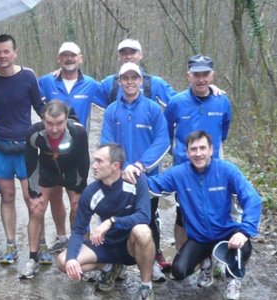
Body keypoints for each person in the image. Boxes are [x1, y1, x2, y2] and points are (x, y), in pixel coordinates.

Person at [140, 131, 261, 300]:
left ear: (211, 150)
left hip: (227, 234)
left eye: (202, 148)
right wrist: (133, 173)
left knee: (243, 247)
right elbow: (153, 186)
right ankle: (207, 262)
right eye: (193, 149)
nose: (198, 153)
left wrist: (245, 231)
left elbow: (252, 198)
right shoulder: (179, 173)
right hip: (200, 237)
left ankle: (233, 279)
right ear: (187, 152)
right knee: (179, 271)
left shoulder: (227, 170)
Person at [56, 144, 155, 300]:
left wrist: (111, 221)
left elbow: (144, 216)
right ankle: (109, 267)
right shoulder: (91, 192)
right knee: (63, 261)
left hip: (131, 246)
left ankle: (146, 285)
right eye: (94, 161)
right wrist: (71, 259)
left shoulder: (136, 180)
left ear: (115, 166)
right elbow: (78, 230)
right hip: (106, 245)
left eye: (99, 161)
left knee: (143, 231)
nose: (94, 166)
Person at [102, 62, 170, 281]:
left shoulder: (152, 108)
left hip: (146, 178)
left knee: (147, 221)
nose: (130, 82)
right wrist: (122, 167)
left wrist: (139, 165)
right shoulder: (112, 110)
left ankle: (150, 265)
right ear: (120, 81)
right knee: (116, 219)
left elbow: (162, 141)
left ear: (141, 80)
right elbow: (107, 142)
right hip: (119, 176)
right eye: (125, 78)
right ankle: (116, 263)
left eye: (134, 78)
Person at [0, 34, 45, 264]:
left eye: (6, 51)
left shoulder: (28, 76)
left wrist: (62, 123)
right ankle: (10, 245)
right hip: (0, 147)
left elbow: (40, 106)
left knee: (32, 198)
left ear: (14, 52)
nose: (2, 56)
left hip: (26, 147)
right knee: (7, 197)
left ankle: (42, 243)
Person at [38, 42, 106, 256]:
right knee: (55, 197)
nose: (69, 59)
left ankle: (79, 242)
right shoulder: (46, 81)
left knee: (77, 202)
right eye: (64, 56)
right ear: (59, 59)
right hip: (51, 150)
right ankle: (61, 238)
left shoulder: (93, 85)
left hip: (77, 152)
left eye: (73, 56)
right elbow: (25, 91)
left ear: (80, 58)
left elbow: (116, 97)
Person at [165, 55, 232, 250]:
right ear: (189, 76)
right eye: (196, 75)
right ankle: (181, 254)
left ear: (212, 75)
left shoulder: (222, 101)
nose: (201, 79)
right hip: (184, 168)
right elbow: (166, 133)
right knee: (183, 213)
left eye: (205, 74)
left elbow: (223, 131)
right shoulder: (176, 102)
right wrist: (177, 155)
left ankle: (214, 258)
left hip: (214, 166)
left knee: (216, 211)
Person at [20, 100, 89, 279]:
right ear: (42, 118)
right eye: (49, 123)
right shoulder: (33, 133)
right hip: (47, 170)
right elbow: (31, 162)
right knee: (36, 209)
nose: (55, 129)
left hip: (72, 170)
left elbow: (84, 161)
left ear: (66, 119)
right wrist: (34, 192)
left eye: (59, 123)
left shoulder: (78, 132)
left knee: (78, 206)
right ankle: (32, 258)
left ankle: (79, 251)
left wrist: (81, 189)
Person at [101, 38, 176, 107]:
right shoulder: (109, 83)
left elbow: (178, 103)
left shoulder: (155, 83)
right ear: (119, 57)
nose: (129, 56)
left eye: (133, 52)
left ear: (140, 55)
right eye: (124, 53)